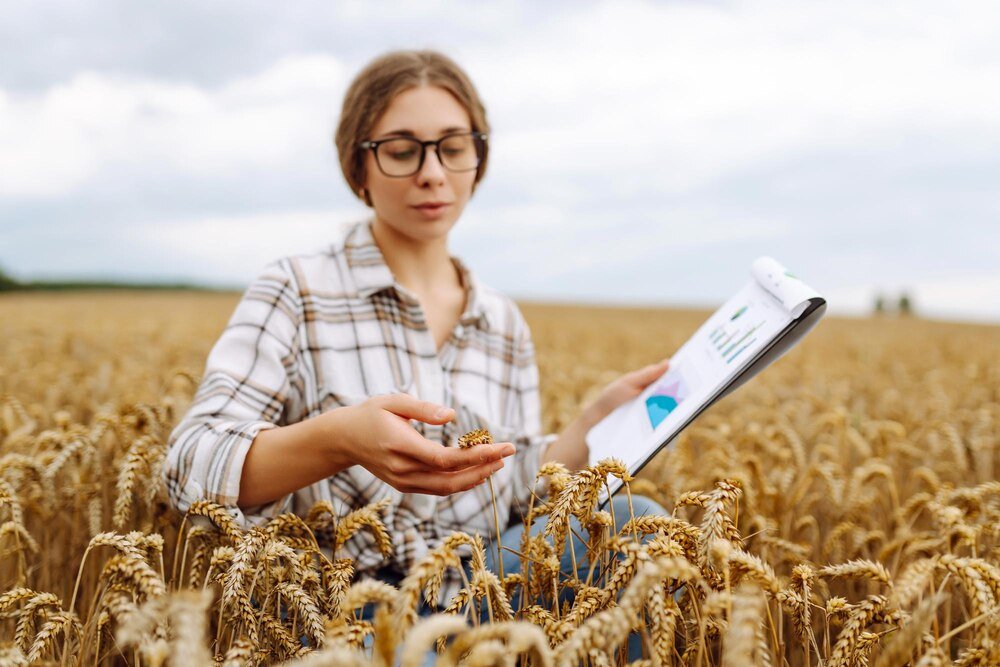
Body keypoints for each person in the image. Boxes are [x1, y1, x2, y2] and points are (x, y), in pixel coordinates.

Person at [163, 49, 670, 656]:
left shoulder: (502, 321)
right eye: (403, 151)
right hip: (339, 610)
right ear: (359, 165)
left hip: (480, 588)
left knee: (640, 528)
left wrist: (590, 426)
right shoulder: (296, 290)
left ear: (478, 158)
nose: (432, 173)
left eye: (453, 147)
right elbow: (189, 463)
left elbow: (512, 492)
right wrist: (338, 440)